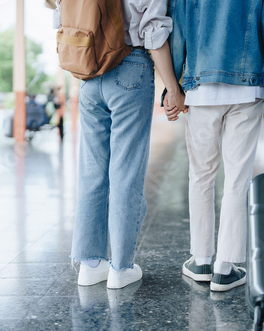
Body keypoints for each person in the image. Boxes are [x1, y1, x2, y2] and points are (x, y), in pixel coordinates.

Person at [163, 0, 264, 292]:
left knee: (201, 175)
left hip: (200, 87)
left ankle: (200, 261)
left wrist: (172, 86)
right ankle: (225, 269)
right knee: (237, 178)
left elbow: (179, 32)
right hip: (248, 87)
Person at [68, 0, 186, 289]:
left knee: (92, 171)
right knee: (126, 172)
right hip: (130, 68)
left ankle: (90, 264)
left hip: (89, 75)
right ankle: (120, 268)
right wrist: (172, 87)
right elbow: (154, 32)